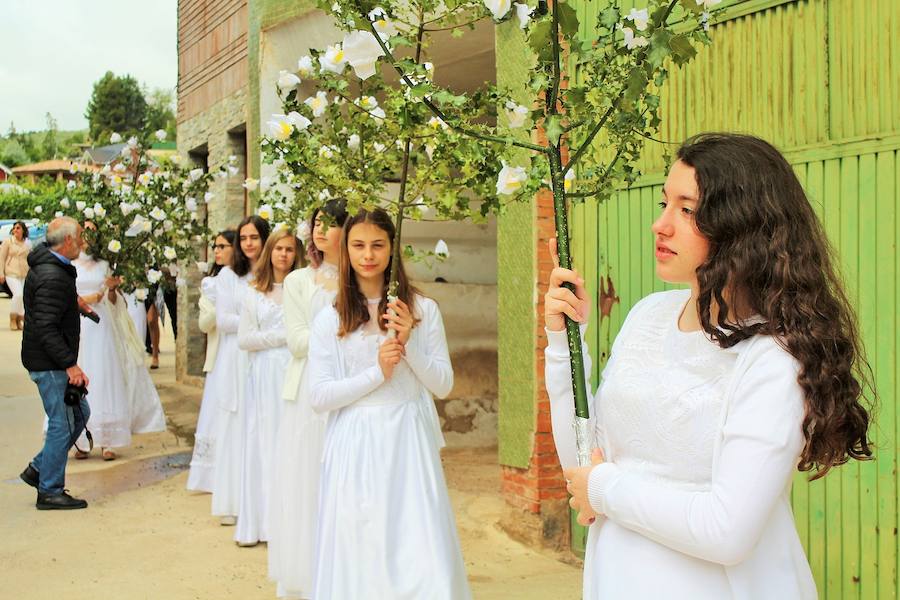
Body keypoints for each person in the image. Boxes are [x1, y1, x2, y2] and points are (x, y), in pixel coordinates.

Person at [545, 133, 873, 600]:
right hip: (618, 578)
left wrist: (604, 489)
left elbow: (726, 531)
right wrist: (564, 344)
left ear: (744, 227)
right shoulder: (646, 317)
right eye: (664, 204)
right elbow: (583, 462)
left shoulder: (773, 358)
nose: (660, 225)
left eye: (688, 210)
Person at [307, 209, 470, 599]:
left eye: (378, 245)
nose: (368, 255)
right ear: (345, 250)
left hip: (408, 441)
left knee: (418, 543)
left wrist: (408, 340)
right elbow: (319, 396)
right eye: (358, 245)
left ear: (392, 248)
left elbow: (443, 385)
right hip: (356, 442)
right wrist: (376, 373)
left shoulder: (423, 310)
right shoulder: (330, 318)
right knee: (361, 542)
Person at [268, 200, 346, 599]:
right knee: (305, 480)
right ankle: (306, 575)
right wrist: (343, 340)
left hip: (350, 391)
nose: (320, 230)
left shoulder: (358, 279)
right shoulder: (299, 280)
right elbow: (296, 341)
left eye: (330, 224)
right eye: (317, 222)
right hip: (306, 392)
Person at [234, 228, 303, 547]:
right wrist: (279, 338)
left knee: (289, 443)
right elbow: (245, 339)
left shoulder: (302, 289)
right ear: (270, 252)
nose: (284, 255)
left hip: (293, 370)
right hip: (263, 374)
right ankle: (258, 523)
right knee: (262, 441)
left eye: (290, 249)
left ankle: (287, 524)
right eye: (279, 249)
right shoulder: (253, 292)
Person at [18, 217, 90, 509]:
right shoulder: (52, 275)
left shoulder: (52, 268)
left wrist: (73, 302)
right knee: (62, 423)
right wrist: (70, 365)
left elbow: (47, 309)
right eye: (81, 237)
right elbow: (46, 327)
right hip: (49, 364)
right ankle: (49, 490)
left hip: (50, 360)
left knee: (80, 413)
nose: (84, 243)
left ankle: (39, 469)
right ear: (69, 240)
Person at [71, 249, 165, 460]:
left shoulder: (105, 263)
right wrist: (88, 298)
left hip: (101, 322)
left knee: (104, 376)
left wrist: (111, 290)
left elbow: (113, 301)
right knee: (79, 376)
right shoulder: (70, 263)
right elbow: (63, 293)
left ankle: (107, 439)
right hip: (77, 322)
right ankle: (81, 439)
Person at [211, 215, 270, 526]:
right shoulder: (228, 277)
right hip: (237, 355)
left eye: (255, 238)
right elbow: (223, 320)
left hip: (269, 354)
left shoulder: (276, 273)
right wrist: (256, 323)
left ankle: (264, 502)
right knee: (238, 423)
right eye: (244, 238)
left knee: (263, 423)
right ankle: (234, 501)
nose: (249, 244)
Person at [187, 229, 235, 493]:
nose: (217, 251)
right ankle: (213, 473)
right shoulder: (211, 284)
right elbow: (205, 324)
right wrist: (222, 307)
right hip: (220, 354)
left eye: (223, 246)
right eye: (215, 246)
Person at [0, 220, 32, 330]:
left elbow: (30, 258)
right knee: (17, 294)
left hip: (24, 273)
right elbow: (1, 258)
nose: (15, 230)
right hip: (10, 272)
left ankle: (20, 319)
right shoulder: (8, 242)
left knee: (23, 296)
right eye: (14, 228)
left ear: (23, 230)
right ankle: (13, 318)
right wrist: (1, 273)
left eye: (18, 228)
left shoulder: (27, 243)